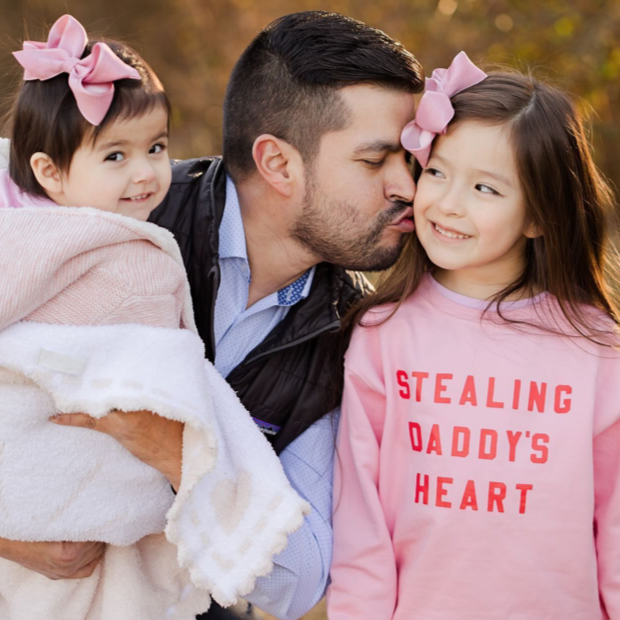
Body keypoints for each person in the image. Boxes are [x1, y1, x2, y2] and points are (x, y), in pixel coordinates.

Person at [0, 11, 424, 619]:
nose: (407, 187)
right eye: (375, 160)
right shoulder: (111, 209)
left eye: (410, 160)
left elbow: (300, 579)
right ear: (277, 163)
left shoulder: (352, 333)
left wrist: (179, 450)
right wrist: (9, 538)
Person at [327, 51, 620, 619]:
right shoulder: (383, 335)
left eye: (486, 189)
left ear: (539, 216)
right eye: (438, 172)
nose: (449, 204)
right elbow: (361, 525)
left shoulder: (596, 348)